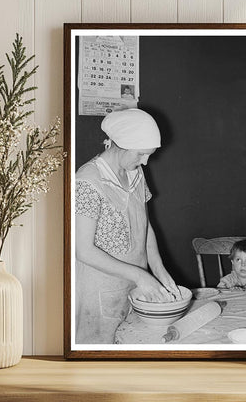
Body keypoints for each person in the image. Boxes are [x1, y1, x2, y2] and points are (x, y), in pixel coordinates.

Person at [75, 108, 180, 344]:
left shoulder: (135, 172)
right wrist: (141, 276)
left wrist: (158, 269)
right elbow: (82, 250)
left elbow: (144, 226)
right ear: (120, 144)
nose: (146, 161)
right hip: (100, 292)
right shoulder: (87, 181)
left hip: (134, 283)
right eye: (142, 154)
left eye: (149, 155)